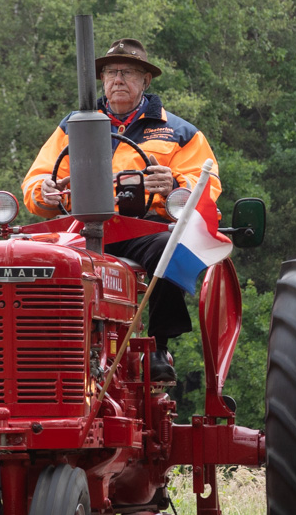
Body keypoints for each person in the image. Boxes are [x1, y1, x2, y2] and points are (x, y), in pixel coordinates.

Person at [21, 38, 220, 382]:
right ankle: (40, 354)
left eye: (128, 72)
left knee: (167, 247)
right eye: (111, 72)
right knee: (24, 258)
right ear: (101, 80)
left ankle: (159, 345)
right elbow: (38, 180)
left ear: (146, 80)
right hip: (79, 228)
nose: (117, 80)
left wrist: (173, 186)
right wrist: (46, 192)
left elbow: (205, 185)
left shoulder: (179, 132)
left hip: (140, 229)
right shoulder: (75, 125)